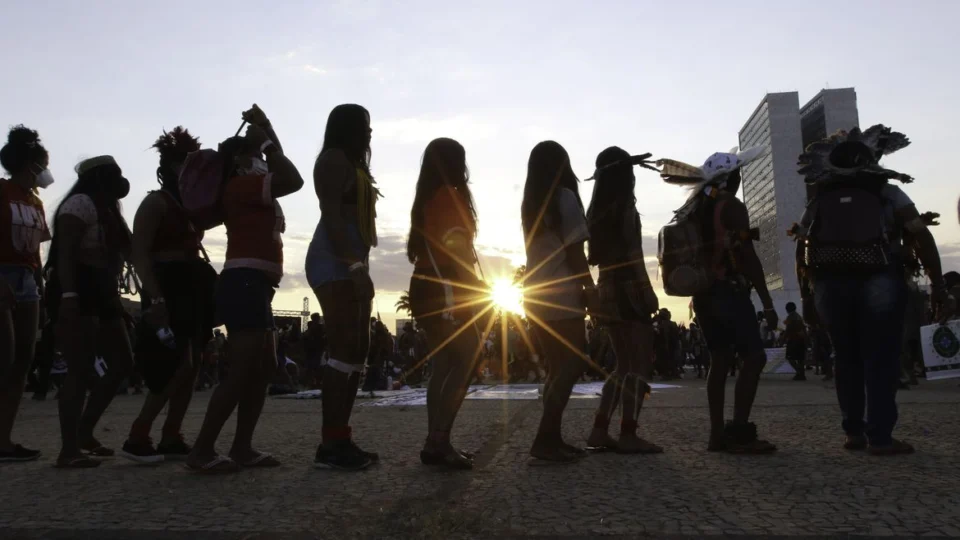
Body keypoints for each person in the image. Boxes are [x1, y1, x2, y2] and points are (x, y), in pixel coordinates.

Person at [794, 125, 953, 455]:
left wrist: (807, 294)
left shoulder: (821, 198)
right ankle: (880, 436)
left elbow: (802, 245)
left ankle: (853, 431)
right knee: (881, 357)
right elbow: (921, 236)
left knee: (845, 355)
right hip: (880, 276)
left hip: (830, 283)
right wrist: (937, 285)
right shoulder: (888, 193)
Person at [186, 105, 304, 473]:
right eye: (256, 156)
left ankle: (242, 446)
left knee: (263, 367)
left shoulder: (247, 184)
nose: (263, 162)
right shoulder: (240, 187)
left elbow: (278, 165)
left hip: (256, 284)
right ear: (240, 160)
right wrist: (266, 141)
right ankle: (202, 450)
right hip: (245, 282)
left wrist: (266, 128)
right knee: (242, 371)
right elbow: (292, 176)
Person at [660, 146, 778, 453]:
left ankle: (716, 435)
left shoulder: (696, 206)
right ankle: (740, 432)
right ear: (730, 177)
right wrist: (766, 301)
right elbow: (747, 256)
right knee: (754, 357)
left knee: (720, 360)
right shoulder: (730, 205)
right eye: (737, 174)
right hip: (729, 291)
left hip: (703, 295)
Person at [120, 127, 218, 464]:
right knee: (174, 364)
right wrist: (156, 298)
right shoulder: (155, 202)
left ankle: (171, 434)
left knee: (190, 366)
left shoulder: (192, 206)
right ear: (170, 166)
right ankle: (138, 434)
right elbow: (140, 255)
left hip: (190, 285)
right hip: (165, 285)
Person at [46, 155, 134, 468]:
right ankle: (68, 450)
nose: (121, 179)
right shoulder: (80, 204)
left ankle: (84, 432)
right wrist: (69, 295)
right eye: (115, 173)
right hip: (77, 287)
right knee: (80, 369)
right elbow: (65, 255)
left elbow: (128, 250)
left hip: (101, 290)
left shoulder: (108, 209)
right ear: (99, 176)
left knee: (122, 361)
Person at [307, 104, 379, 470]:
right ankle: (329, 445)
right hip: (335, 260)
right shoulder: (333, 159)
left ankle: (341, 437)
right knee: (343, 348)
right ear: (348, 127)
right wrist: (353, 266)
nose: (370, 132)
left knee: (358, 351)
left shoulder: (352, 162)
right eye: (365, 126)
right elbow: (333, 217)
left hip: (353, 261)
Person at [407, 137, 486, 469]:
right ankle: (439, 440)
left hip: (426, 285)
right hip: (448, 289)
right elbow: (456, 252)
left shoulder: (426, 199)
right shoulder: (450, 198)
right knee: (468, 360)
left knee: (443, 366)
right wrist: (476, 290)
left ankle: (435, 440)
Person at [520, 140, 598, 463]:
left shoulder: (532, 205)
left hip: (534, 294)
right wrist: (590, 289)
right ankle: (545, 436)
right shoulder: (564, 198)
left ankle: (552, 437)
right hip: (562, 292)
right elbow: (575, 252)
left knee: (557, 367)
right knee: (573, 362)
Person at [584, 147, 662, 454]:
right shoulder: (625, 208)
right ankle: (628, 433)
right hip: (629, 285)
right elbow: (633, 252)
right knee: (638, 364)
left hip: (607, 287)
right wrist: (647, 290)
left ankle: (599, 429)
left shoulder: (596, 211)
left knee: (621, 365)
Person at [0, 126, 53, 462]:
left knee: (22, 361)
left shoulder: (35, 201)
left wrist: (41, 287)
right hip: (2, 273)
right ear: (31, 164)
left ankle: (4, 440)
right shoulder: (2, 192)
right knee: (3, 358)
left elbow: (35, 250)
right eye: (43, 164)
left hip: (27, 280)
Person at [783, 302, 807, 381]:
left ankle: (799, 372)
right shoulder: (799, 316)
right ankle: (801, 374)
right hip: (801, 339)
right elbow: (804, 328)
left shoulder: (790, 317)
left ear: (787, 309)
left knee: (790, 358)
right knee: (800, 358)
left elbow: (788, 330)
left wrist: (782, 339)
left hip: (793, 339)